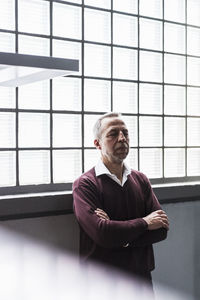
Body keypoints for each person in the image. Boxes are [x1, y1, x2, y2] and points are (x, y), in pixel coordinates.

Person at [73, 112, 169, 290]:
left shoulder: (141, 180)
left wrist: (118, 236)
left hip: (141, 277)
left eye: (125, 133)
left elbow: (161, 230)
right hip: (102, 280)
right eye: (113, 134)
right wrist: (145, 223)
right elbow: (102, 233)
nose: (122, 138)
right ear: (97, 143)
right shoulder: (85, 184)